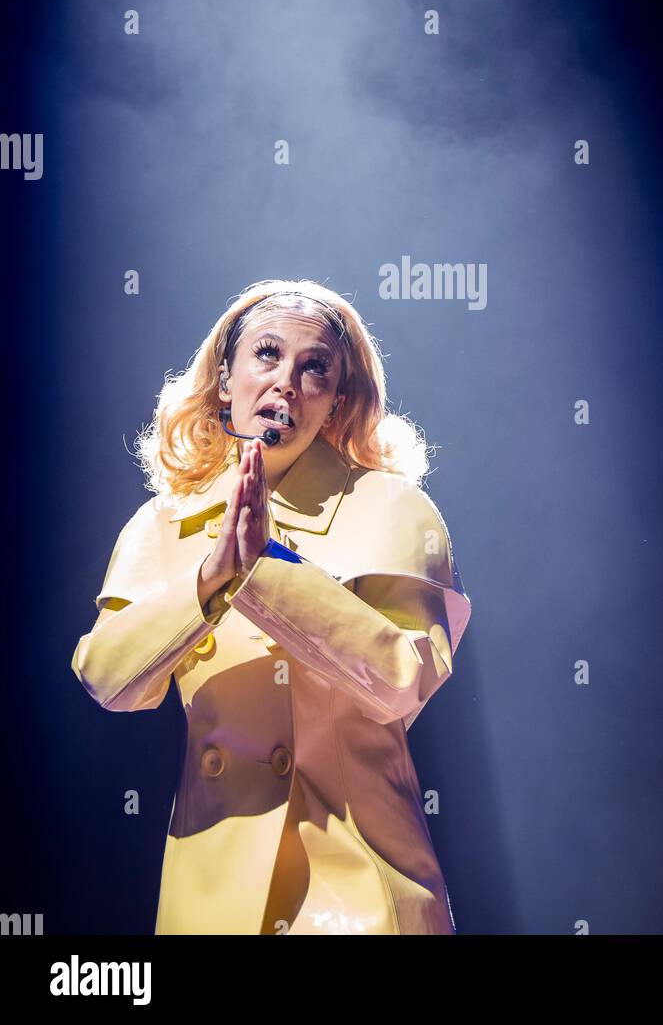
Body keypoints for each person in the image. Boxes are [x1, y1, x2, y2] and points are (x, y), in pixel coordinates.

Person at [71, 278, 471, 935]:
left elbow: (403, 683)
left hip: (361, 892)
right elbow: (109, 679)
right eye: (266, 354)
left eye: (315, 367)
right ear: (225, 378)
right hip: (212, 895)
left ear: (336, 401)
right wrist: (211, 576)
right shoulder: (163, 525)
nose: (287, 380)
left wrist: (266, 571)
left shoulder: (394, 509)